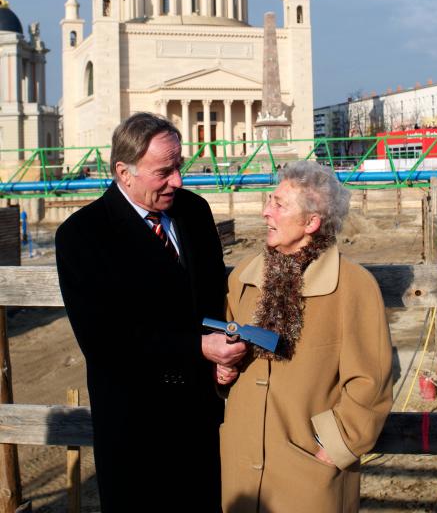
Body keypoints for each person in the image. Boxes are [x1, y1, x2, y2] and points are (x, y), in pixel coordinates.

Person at [55, 113, 246, 513]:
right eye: (165, 171)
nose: (177, 180)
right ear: (124, 172)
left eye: (179, 167)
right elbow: (103, 340)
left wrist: (224, 359)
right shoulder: (82, 234)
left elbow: (212, 298)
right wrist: (198, 348)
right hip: (136, 426)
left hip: (200, 415)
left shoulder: (194, 211)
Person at [218, 161, 393, 513]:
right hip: (240, 470)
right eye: (270, 200)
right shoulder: (242, 278)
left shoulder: (354, 286)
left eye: (279, 205)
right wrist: (223, 371)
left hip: (309, 475)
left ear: (311, 223)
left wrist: (336, 445)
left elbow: (370, 382)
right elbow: (229, 350)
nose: (266, 211)